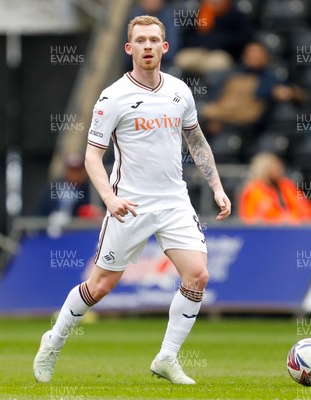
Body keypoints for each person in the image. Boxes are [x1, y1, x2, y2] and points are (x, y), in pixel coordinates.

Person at [33, 15, 231, 385]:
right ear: (129, 48)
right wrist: (108, 198)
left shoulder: (179, 92)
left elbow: (197, 142)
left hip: (173, 202)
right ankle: (54, 339)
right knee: (100, 286)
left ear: (164, 46)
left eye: (154, 40)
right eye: (140, 40)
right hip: (130, 204)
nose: (147, 46)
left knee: (198, 275)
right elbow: (92, 156)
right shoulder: (112, 98)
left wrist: (217, 187)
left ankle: (167, 357)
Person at [202, 41, 304, 137]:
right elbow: (216, 99)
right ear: (244, 56)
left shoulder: (272, 79)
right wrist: (213, 119)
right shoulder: (232, 76)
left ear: (266, 56)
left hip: (247, 127)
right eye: (251, 53)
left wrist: (290, 93)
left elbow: (300, 95)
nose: (255, 56)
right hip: (221, 121)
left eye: (258, 53)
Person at [174, 0, 254, 75]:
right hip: (198, 51)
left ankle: (205, 86)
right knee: (182, 59)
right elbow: (186, 38)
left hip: (221, 54)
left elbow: (244, 39)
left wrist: (218, 41)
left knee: (218, 64)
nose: (214, 1)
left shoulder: (236, 16)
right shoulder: (199, 14)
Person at [239, 153, 311, 224]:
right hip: (266, 233)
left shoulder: (288, 186)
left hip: (294, 230)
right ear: (264, 169)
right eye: (274, 166)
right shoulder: (253, 191)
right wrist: (281, 220)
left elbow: (306, 209)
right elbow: (251, 219)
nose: (279, 168)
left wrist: (294, 220)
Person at [127, 0, 180, 69]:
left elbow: (171, 50)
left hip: (164, 64)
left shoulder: (169, 16)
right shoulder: (134, 15)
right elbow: (127, 55)